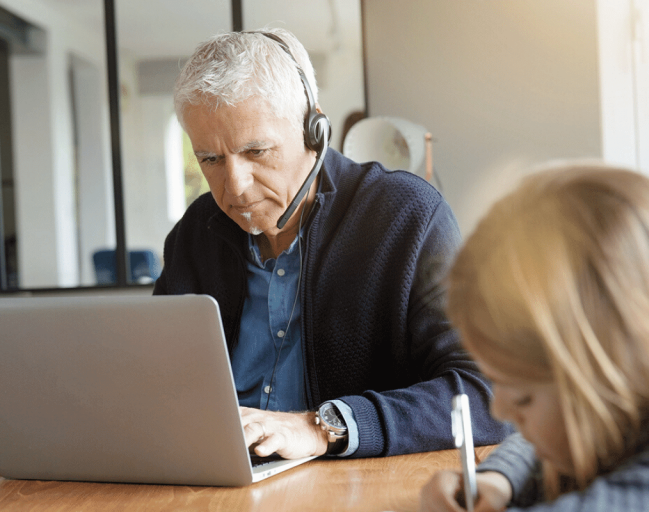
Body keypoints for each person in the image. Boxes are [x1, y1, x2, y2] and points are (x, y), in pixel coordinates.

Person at [154, 27, 510, 460]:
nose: (235, 186)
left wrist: (325, 425)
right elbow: (153, 382)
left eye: (257, 151)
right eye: (210, 159)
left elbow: (490, 392)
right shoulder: (195, 233)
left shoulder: (407, 216)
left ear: (314, 129)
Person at [420, 162, 649, 511]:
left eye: (523, 396)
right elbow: (547, 447)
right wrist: (501, 479)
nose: (499, 410)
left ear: (610, 372)